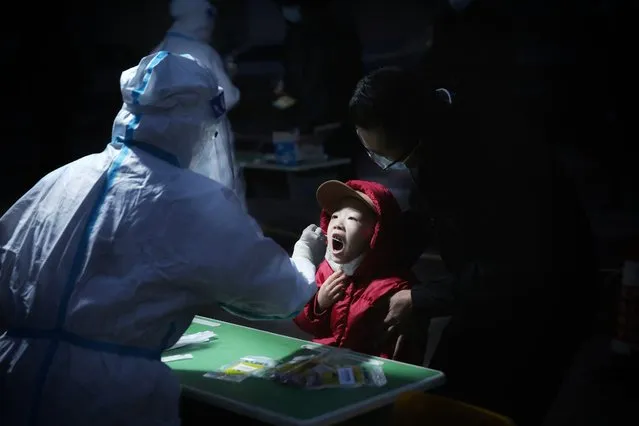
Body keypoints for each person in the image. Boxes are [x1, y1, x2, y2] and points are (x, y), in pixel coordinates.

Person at [0, 51, 330, 426]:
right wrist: (305, 256)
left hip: (15, 378)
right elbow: (276, 294)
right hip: (107, 399)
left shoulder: (61, 179)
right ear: (194, 124)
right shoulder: (193, 200)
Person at [348, 67, 599, 426]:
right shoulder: (428, 139)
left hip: (544, 300)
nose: (389, 167)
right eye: (375, 156)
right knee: (442, 396)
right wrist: (370, 257)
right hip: (483, 287)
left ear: (417, 132)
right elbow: (425, 214)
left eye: (389, 157)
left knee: (489, 411)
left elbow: (515, 267)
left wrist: (417, 299)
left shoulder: (500, 157)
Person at [294, 180, 425, 364]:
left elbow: (401, 353)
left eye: (352, 218)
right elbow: (302, 321)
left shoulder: (396, 288)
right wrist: (318, 305)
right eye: (335, 216)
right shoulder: (325, 271)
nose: (338, 224)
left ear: (376, 233)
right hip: (324, 368)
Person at [153, 0, 246, 210]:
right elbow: (228, 99)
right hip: (207, 143)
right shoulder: (202, 52)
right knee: (221, 206)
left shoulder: (157, 51)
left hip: (169, 145)